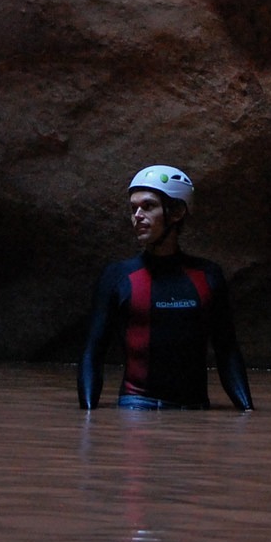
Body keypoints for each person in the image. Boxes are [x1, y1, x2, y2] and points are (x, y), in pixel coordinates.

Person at [78, 165, 254, 411]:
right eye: (133, 208)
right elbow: (93, 352)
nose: (137, 216)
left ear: (177, 211)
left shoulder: (208, 276)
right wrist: (87, 420)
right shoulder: (119, 277)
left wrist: (248, 412)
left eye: (148, 206)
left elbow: (227, 350)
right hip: (136, 406)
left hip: (195, 410)